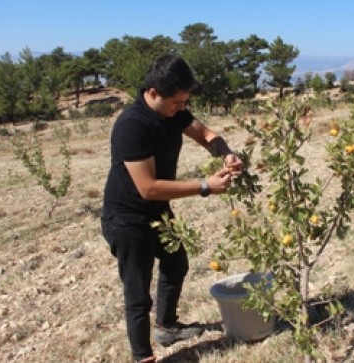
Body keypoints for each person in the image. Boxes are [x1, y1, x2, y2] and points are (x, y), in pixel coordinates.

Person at [100, 54, 243, 363]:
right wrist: (205, 186)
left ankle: (167, 326)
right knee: (137, 294)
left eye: (184, 102)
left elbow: (206, 135)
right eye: (177, 102)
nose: (182, 107)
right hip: (127, 218)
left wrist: (227, 154)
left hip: (159, 211)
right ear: (153, 93)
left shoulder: (173, 113)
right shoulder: (132, 125)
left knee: (176, 264)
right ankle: (143, 357)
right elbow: (148, 187)